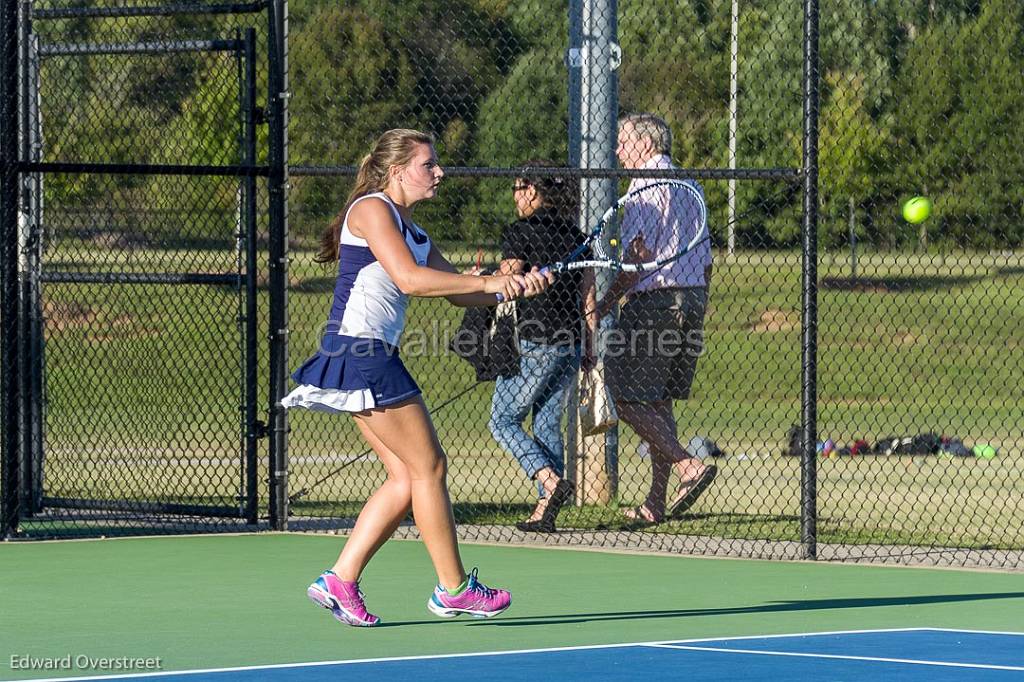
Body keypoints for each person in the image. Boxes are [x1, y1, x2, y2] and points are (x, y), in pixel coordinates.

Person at [281, 129, 553, 626]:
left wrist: (516, 287)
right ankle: (453, 589)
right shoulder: (371, 209)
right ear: (397, 170)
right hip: (360, 351)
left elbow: (458, 293)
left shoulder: (415, 231)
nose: (439, 172)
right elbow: (409, 279)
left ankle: (340, 580)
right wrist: (491, 281)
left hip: (369, 353)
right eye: (429, 164)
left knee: (407, 478)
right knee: (429, 467)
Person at [596, 113, 717, 524]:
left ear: (645, 145)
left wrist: (605, 301)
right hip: (693, 299)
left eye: (623, 141)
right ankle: (656, 502)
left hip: (656, 303)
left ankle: (688, 465)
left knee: (624, 396)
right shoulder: (689, 185)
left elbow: (638, 258)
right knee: (659, 403)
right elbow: (706, 264)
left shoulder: (644, 186)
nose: (617, 150)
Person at [488, 161, 597, 533]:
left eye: (518, 189)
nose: (515, 196)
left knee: (502, 420)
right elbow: (589, 296)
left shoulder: (522, 231)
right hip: (571, 341)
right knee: (547, 423)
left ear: (532, 190)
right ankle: (544, 511)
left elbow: (507, 278)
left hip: (536, 338)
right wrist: (590, 345)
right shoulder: (578, 235)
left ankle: (550, 482)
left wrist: (484, 279)